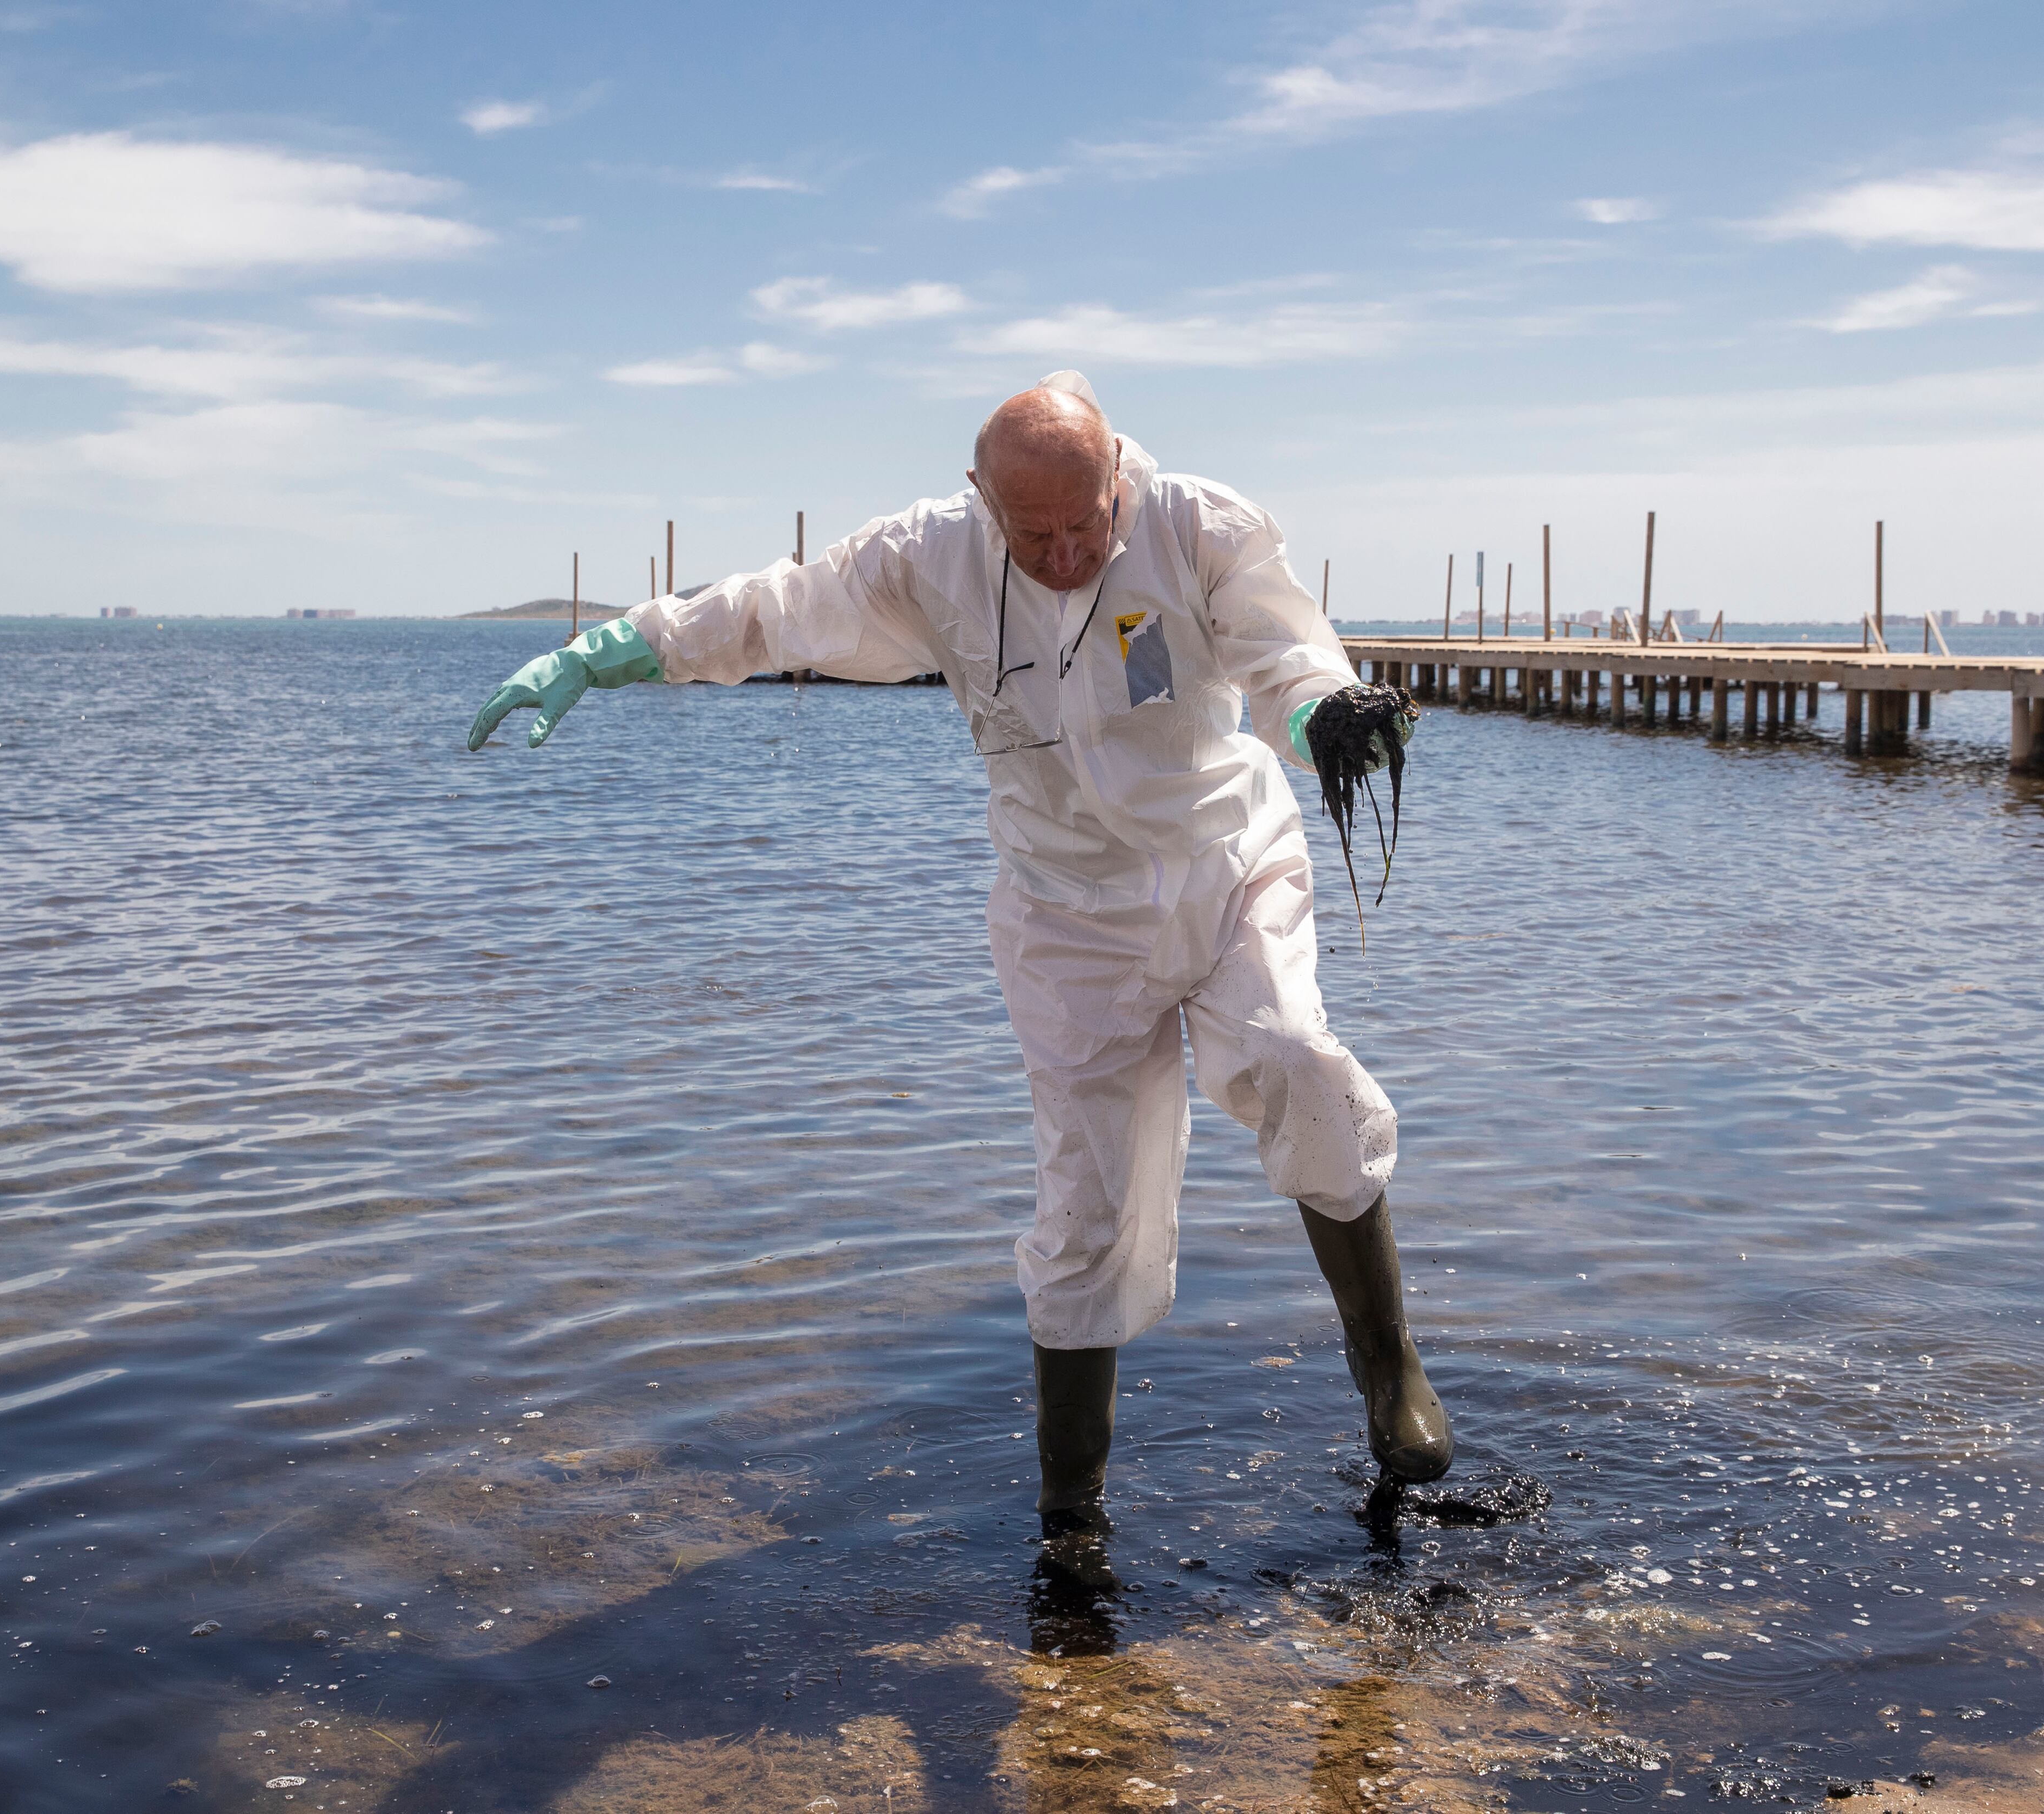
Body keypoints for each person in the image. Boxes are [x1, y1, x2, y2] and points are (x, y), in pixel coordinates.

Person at [466, 371, 1450, 1548]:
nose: (1064, 551)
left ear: (1117, 480)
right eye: (1032, 531)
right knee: (1084, 1202)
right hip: (1064, 910)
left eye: (1085, 523)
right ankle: (1071, 1509)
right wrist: (612, 650)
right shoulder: (927, 557)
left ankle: (1388, 1367)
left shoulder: (1195, 524)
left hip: (1223, 861)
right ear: (984, 502)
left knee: (1293, 1055)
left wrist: (1326, 717)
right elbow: (776, 609)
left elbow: (1286, 651)